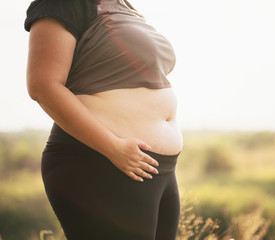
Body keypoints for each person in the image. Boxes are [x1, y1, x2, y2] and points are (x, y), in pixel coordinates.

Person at [24, 0, 183, 239]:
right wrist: (113, 147)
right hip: (100, 161)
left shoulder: (123, 5)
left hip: (154, 167)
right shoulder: (64, 4)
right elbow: (43, 86)